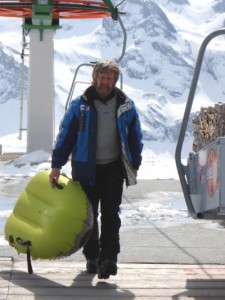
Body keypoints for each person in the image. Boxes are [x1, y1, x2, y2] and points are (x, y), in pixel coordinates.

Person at [49, 60, 143, 279]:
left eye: (109, 78)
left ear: (114, 81)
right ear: (94, 78)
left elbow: (134, 136)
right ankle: (92, 257)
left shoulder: (126, 105)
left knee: (111, 215)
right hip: (85, 169)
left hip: (113, 168)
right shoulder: (79, 105)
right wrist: (56, 165)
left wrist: (135, 163)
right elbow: (66, 136)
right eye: (102, 77)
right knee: (88, 216)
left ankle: (108, 259)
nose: (105, 82)